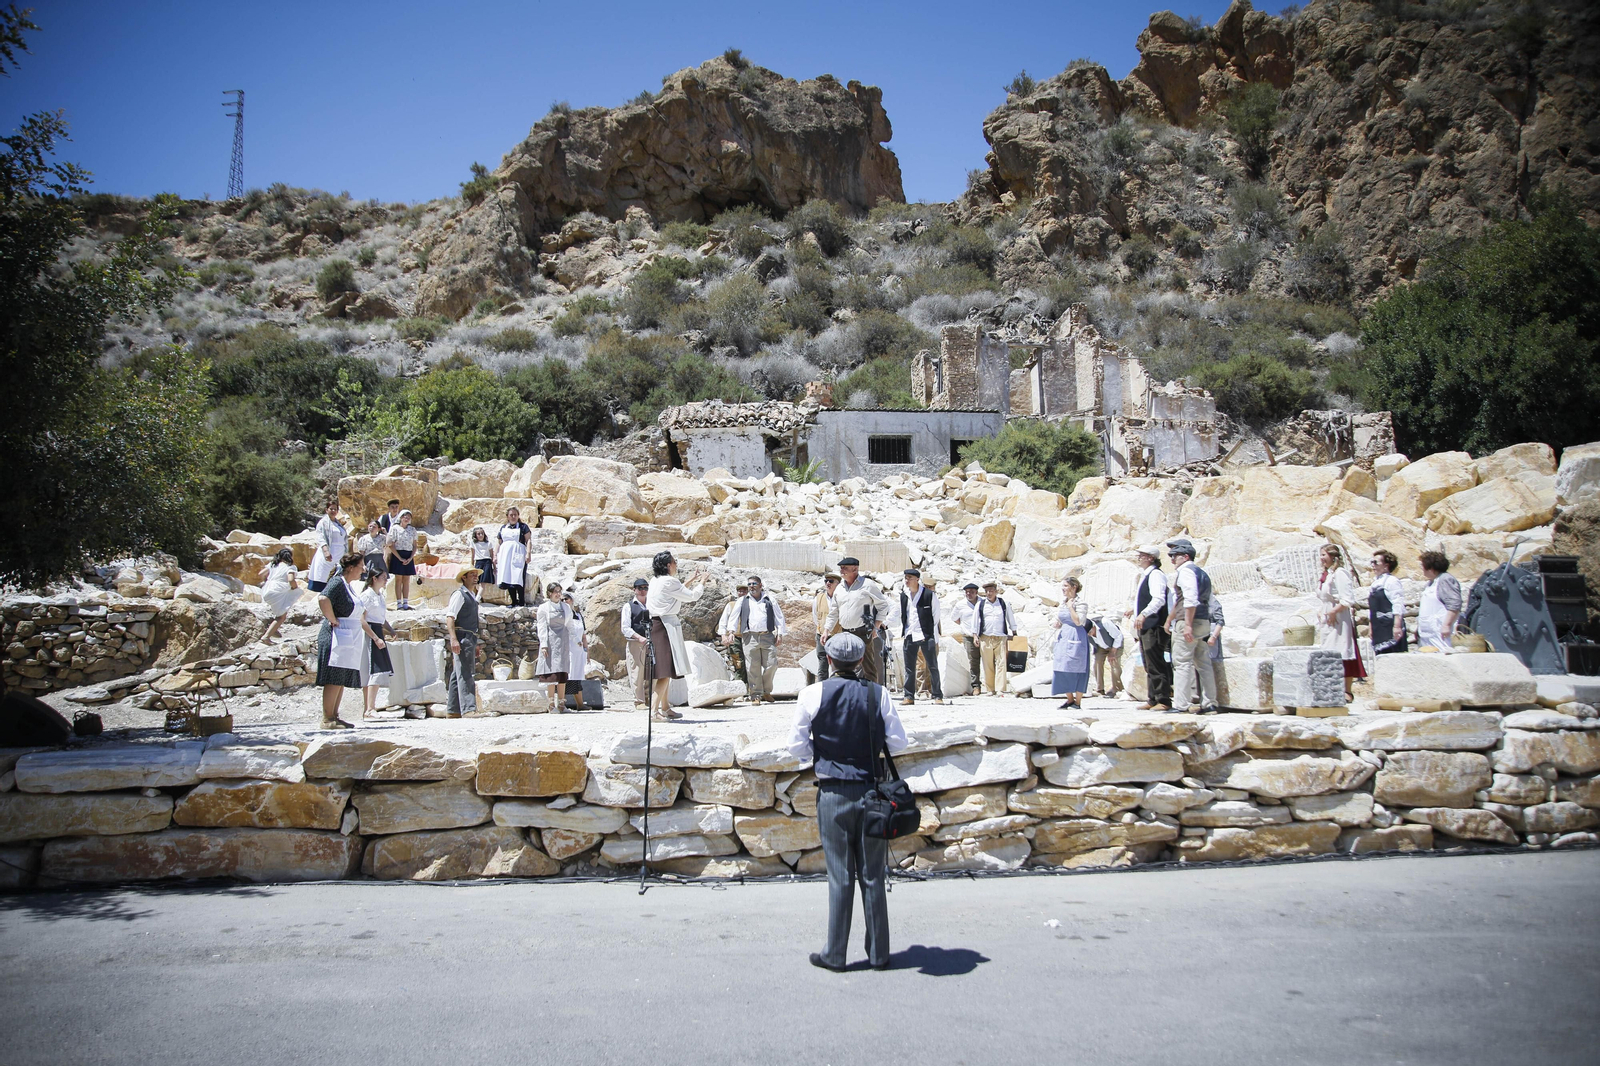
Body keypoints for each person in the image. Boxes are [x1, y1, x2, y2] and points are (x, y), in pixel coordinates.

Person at [787, 632, 908, 973]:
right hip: (871, 792)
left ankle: (835, 954)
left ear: (827, 659)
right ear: (859, 661)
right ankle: (879, 953)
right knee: (873, 874)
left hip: (834, 792)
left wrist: (823, 755)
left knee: (840, 876)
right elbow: (898, 742)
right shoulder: (877, 693)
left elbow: (796, 746)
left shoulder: (812, 694)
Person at [646, 552, 704, 721]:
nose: (676, 564)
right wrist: (702, 582)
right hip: (666, 627)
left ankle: (665, 708)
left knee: (665, 669)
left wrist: (691, 580)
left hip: (657, 625)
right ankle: (653, 711)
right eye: (674, 562)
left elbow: (674, 593)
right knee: (665, 671)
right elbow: (692, 596)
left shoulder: (655, 581)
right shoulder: (670, 581)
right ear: (668, 565)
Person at [1166, 538, 1218, 714]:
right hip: (1203, 621)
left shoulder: (1186, 572)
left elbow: (1190, 598)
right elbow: (1209, 602)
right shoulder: (1202, 573)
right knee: (1204, 663)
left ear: (1185, 556)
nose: (1171, 559)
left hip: (1189, 622)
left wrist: (1187, 625)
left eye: (1174, 555)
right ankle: (1210, 703)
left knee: (1181, 663)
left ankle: (1181, 705)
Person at [314, 552, 366, 729]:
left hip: (347, 637)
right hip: (336, 635)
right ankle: (327, 718)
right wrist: (331, 618)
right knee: (334, 677)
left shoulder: (349, 586)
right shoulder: (337, 582)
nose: (363, 570)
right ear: (350, 568)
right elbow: (323, 598)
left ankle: (334, 716)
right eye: (361, 566)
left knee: (340, 677)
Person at [826, 559, 891, 686]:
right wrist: (826, 630)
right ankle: (849, 692)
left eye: (845, 567)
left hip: (863, 631)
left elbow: (883, 605)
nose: (841, 570)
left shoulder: (868, 585)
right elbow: (834, 611)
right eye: (841, 567)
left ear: (855, 569)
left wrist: (876, 625)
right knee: (845, 665)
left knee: (868, 666)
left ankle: (873, 695)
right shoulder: (839, 588)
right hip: (845, 632)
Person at [1315, 543, 1365, 698]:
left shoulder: (1340, 573)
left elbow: (1347, 599)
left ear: (1332, 556)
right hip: (1327, 616)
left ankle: (1346, 690)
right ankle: (1333, 687)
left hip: (1338, 617)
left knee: (1342, 650)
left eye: (1324, 555)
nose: (1321, 558)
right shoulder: (1328, 575)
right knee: (1329, 651)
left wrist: (1333, 611)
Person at [1125, 545, 1171, 712]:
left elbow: (1158, 599)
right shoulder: (1146, 575)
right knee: (1148, 662)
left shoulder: (1156, 575)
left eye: (1142, 555)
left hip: (1154, 625)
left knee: (1156, 661)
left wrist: (1143, 614)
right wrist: (1134, 610)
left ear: (1151, 558)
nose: (1139, 558)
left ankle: (1163, 699)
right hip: (1146, 625)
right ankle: (1153, 698)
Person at [727, 576, 786, 703]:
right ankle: (756, 695)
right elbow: (734, 617)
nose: (751, 586)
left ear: (760, 585)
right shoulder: (742, 601)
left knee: (772, 664)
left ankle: (766, 691)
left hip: (767, 636)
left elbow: (779, 617)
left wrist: (780, 634)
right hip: (750, 637)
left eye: (754, 584)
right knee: (752, 666)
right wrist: (731, 632)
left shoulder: (770, 599)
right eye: (749, 584)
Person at [893, 568, 946, 706]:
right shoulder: (904, 595)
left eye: (910, 578)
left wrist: (929, 632)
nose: (907, 580)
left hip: (925, 634)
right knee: (909, 668)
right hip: (909, 634)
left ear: (917, 579)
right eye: (905, 578)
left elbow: (936, 615)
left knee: (932, 666)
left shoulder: (929, 594)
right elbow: (901, 613)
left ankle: (937, 695)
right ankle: (909, 696)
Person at [442, 568, 481, 718]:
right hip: (462, 635)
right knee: (466, 672)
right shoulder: (459, 595)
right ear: (464, 577)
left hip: (469, 635)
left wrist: (475, 641)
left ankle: (453, 710)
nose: (475, 578)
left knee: (457, 672)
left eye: (476, 575)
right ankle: (469, 708)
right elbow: (450, 617)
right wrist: (453, 639)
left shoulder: (471, 595)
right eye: (472, 575)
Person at [357, 568, 393, 718]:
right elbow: (361, 619)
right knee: (374, 670)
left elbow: (380, 617)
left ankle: (369, 708)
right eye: (383, 577)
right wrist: (375, 638)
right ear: (374, 578)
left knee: (374, 670)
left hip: (377, 630)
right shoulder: (366, 596)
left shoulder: (379, 596)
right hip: (370, 633)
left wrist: (390, 630)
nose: (386, 580)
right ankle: (370, 708)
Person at [1052, 577, 1091, 710]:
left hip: (1077, 637)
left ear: (1074, 587)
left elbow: (1079, 621)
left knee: (1077, 668)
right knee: (1061, 666)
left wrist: (1070, 608)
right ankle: (1069, 699)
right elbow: (1061, 618)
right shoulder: (1063, 602)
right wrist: (1058, 623)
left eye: (1066, 586)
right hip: (1064, 637)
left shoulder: (1081, 603)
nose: (1063, 588)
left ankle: (1078, 701)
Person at [534, 582, 572, 714]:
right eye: (555, 591)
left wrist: (574, 640)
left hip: (563, 642)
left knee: (562, 672)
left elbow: (569, 624)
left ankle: (562, 703)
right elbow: (542, 626)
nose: (558, 594)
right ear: (549, 593)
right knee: (551, 673)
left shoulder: (566, 607)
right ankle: (551, 704)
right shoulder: (543, 608)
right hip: (550, 642)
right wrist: (544, 644)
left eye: (559, 591)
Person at [973, 580, 1015, 696]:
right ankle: (990, 689)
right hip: (985, 637)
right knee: (987, 663)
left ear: (996, 591)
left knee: (1001, 662)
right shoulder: (980, 604)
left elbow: (1010, 617)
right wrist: (975, 635)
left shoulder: (1003, 603)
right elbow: (976, 621)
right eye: (987, 591)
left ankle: (1000, 688)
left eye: (991, 591)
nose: (989, 593)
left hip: (1000, 637)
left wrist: (1014, 631)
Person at [1417, 550, 1463, 652]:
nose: (1422, 569)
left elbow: (1454, 604)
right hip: (1428, 633)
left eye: (1423, 565)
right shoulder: (1430, 583)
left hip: (1441, 631)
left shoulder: (1445, 579)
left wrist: (1447, 625)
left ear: (1431, 567)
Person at [1369, 550, 1409, 655]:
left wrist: (1397, 626)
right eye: (1371, 562)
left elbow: (1397, 604)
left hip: (1389, 626)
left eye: (1376, 562)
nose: (1373, 565)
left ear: (1386, 565)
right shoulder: (1375, 583)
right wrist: (1371, 627)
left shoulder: (1392, 581)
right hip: (1379, 627)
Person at [260, 548, 300, 645]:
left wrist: (267, 581)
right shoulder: (290, 567)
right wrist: (295, 588)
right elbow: (291, 580)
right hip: (277, 590)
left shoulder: (273, 565)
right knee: (281, 616)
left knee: (279, 611)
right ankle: (266, 637)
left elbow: (261, 573)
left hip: (267, 589)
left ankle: (273, 629)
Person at [948, 582, 983, 692]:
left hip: (983, 636)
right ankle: (976, 686)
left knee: (988, 660)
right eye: (967, 592)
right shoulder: (960, 604)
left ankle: (991, 685)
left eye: (972, 592)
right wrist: (964, 626)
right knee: (973, 661)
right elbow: (954, 618)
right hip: (968, 637)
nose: (969, 594)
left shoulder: (983, 602)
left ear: (976, 593)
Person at [307, 500, 348, 593]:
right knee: (323, 575)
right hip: (329, 552)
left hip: (339, 553)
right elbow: (321, 537)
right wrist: (326, 551)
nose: (333, 511)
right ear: (326, 510)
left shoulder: (338, 524)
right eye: (331, 509)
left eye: (335, 509)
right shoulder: (323, 523)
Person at [625, 577, 653, 710]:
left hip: (651, 641)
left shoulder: (652, 604)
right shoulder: (629, 606)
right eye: (640, 588)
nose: (643, 591)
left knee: (651, 671)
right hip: (636, 642)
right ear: (634, 589)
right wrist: (639, 637)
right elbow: (625, 627)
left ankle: (650, 698)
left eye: (645, 588)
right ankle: (639, 701)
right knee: (637, 671)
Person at [496, 507, 532, 607]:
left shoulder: (523, 527)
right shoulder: (503, 528)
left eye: (515, 515)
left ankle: (521, 601)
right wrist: (495, 555)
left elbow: (528, 540)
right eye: (511, 515)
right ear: (507, 516)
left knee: (518, 576)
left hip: (518, 553)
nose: (513, 517)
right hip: (505, 555)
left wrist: (528, 553)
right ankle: (513, 601)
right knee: (507, 576)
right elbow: (499, 542)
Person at [385, 510, 419, 610]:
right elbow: (391, 544)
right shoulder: (395, 529)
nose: (407, 518)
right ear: (401, 517)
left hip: (408, 555)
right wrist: (399, 558)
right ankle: (399, 603)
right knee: (398, 579)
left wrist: (411, 557)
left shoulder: (412, 530)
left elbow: (415, 545)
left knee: (406, 580)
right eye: (405, 516)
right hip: (398, 554)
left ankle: (406, 602)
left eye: (409, 516)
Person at [1087, 611, 1123, 699]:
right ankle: (1100, 689)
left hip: (1114, 643)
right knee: (1097, 663)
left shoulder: (1104, 622)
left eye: (1090, 632)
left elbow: (1118, 636)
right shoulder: (1087, 632)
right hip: (1101, 646)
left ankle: (1117, 689)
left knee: (1114, 664)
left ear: (1093, 627)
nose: (1090, 635)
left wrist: (1113, 651)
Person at [812, 574, 841, 682]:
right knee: (822, 663)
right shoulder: (819, 598)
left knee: (838, 663)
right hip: (822, 635)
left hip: (838, 635)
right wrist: (822, 629)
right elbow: (815, 616)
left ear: (838, 584)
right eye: (826, 581)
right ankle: (822, 688)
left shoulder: (841, 597)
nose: (828, 583)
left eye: (831, 581)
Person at [564, 591, 590, 711]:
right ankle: (560, 703)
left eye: (567, 599)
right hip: (566, 650)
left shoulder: (578, 616)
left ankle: (580, 704)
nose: (565, 601)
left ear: (572, 600)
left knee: (577, 676)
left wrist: (586, 650)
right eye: (562, 599)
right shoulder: (561, 615)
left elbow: (583, 635)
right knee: (565, 676)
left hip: (578, 651)